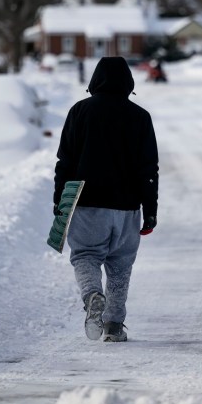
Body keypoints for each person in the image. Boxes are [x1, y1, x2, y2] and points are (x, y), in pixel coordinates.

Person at [53, 56, 159, 342]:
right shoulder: (140, 117)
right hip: (126, 208)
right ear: (128, 82)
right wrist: (150, 211)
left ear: (95, 80)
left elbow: (66, 161)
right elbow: (148, 169)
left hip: (86, 205)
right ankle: (113, 325)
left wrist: (60, 204)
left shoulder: (79, 112)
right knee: (120, 267)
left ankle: (91, 296)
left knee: (86, 256)